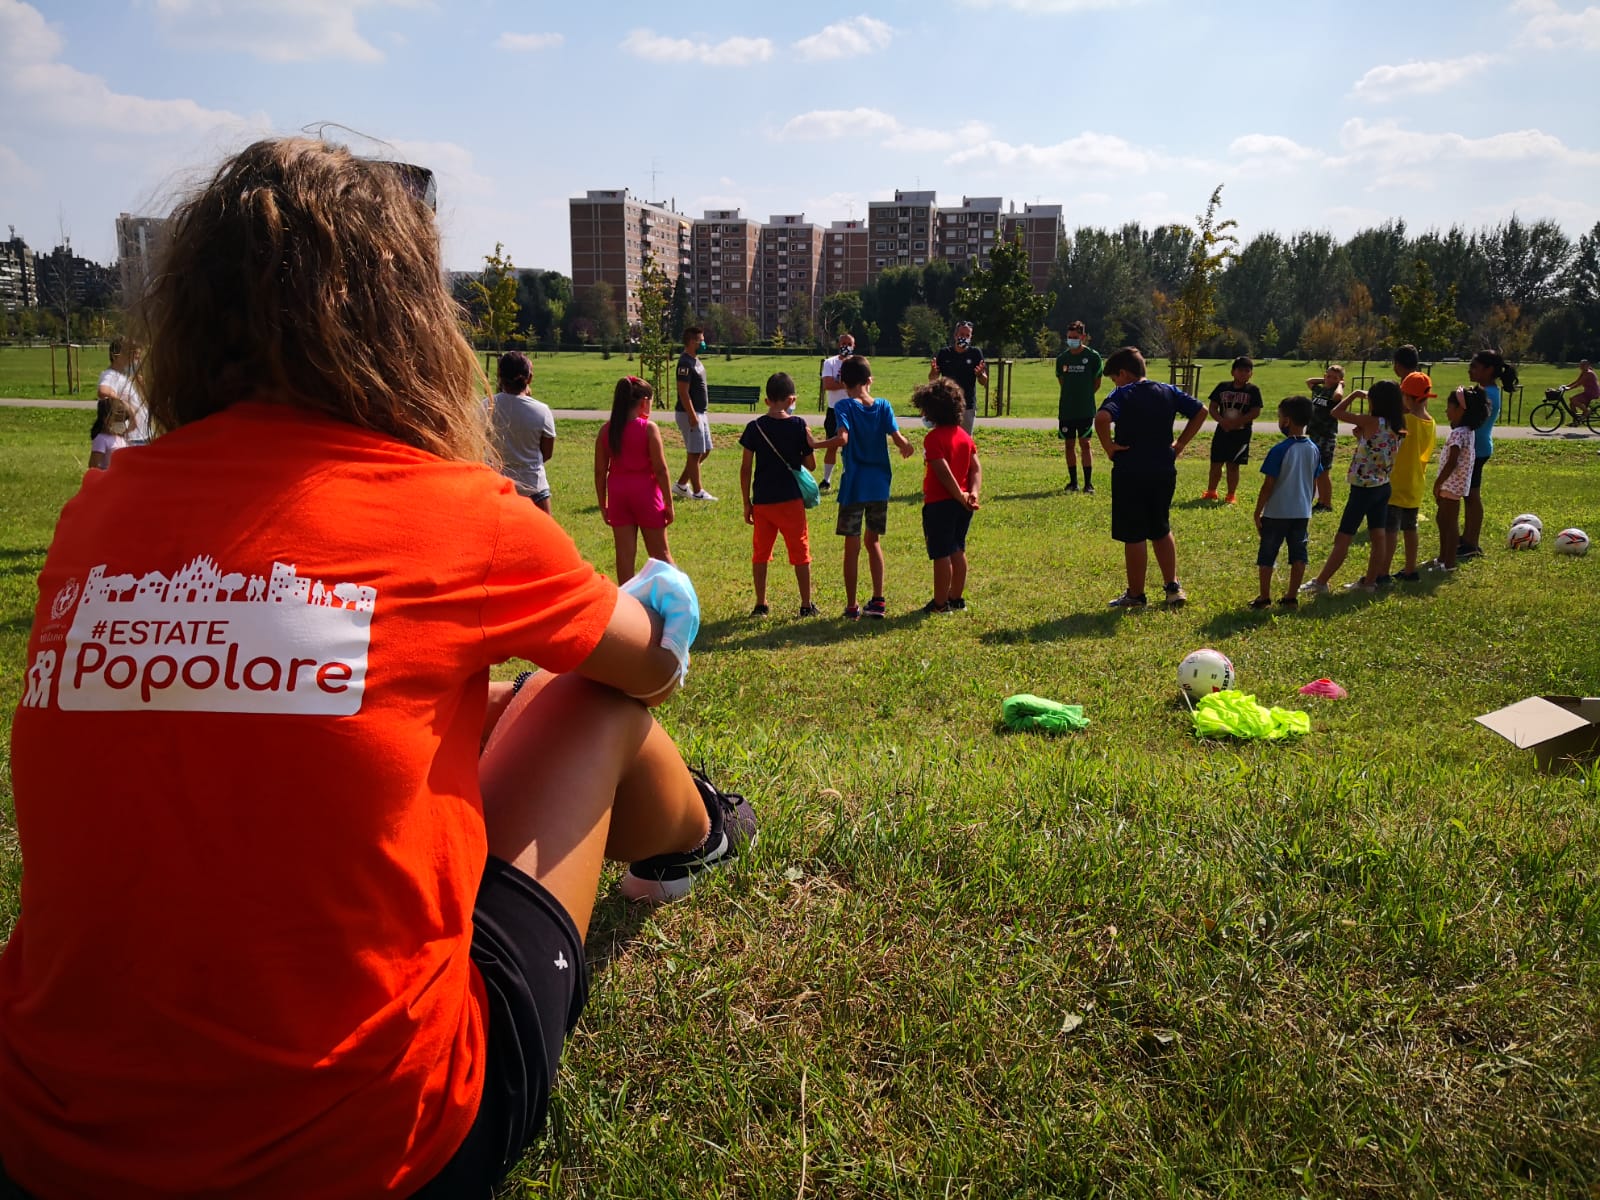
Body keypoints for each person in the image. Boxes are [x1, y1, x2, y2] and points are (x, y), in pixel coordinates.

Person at [0, 138, 759, 1200]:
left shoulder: (97, 514)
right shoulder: (455, 512)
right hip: (375, 1147)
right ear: (409, 321)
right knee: (576, 694)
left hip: (44, 1141)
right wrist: (642, 614)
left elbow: (250, 705)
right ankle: (700, 834)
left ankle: (697, 827)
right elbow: (647, 669)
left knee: (482, 703)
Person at [1092, 346, 1207, 609]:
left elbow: (1102, 418)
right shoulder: (1168, 390)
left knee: (1134, 534)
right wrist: (1180, 444)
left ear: (1123, 373)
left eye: (1115, 378)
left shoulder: (1122, 393)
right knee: (1160, 528)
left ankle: (1136, 595)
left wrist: (1109, 447)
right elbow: (1201, 411)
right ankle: (1172, 588)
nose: (1115, 383)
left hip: (1130, 471)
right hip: (1163, 468)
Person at [816, 355, 913, 620]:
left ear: (843, 382)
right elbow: (898, 438)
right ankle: (878, 601)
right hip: (879, 485)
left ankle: (852, 606)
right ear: (870, 380)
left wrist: (815, 445)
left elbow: (842, 438)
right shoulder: (883, 405)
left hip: (854, 486)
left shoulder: (844, 406)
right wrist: (906, 445)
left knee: (852, 546)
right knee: (873, 541)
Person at [1300, 379, 1408, 596]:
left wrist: (1355, 394)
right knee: (1378, 537)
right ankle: (1369, 583)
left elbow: (1336, 412)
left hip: (1362, 489)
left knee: (1343, 537)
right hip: (1382, 486)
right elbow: (1379, 448)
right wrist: (1362, 439)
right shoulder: (1397, 424)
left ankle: (1321, 582)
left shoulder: (1371, 421)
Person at [738, 372, 820, 617]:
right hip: (791, 500)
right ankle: (806, 604)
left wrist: (747, 502)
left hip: (763, 500)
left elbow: (745, 468)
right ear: (792, 399)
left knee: (761, 553)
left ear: (766, 400)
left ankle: (760, 603)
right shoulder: (799, 425)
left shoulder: (754, 428)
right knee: (800, 552)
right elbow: (812, 465)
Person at [596, 375, 675, 584]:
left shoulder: (606, 430)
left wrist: (602, 503)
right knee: (661, 555)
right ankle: (679, 597)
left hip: (618, 495)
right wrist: (668, 502)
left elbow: (599, 471)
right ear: (644, 402)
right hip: (646, 494)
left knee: (624, 557)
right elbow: (660, 469)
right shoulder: (648, 428)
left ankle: (627, 599)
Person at [913, 377, 981, 613]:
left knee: (941, 553)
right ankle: (956, 598)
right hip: (962, 505)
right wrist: (972, 493)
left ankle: (940, 603)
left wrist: (960, 495)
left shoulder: (933, 439)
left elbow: (942, 472)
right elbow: (976, 468)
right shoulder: (965, 437)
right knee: (957, 548)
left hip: (940, 504)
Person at [1250, 396, 1322, 608]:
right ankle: (1291, 597)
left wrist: (1258, 511)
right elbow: (1314, 481)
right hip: (1301, 513)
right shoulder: (1314, 449)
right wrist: (1307, 505)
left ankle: (1264, 597)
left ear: (1287, 421)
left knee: (1268, 555)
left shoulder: (1279, 450)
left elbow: (1268, 484)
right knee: (1299, 555)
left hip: (1276, 512)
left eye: (1280, 417)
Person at [1371, 377, 1436, 584]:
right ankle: (1410, 570)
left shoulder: (1405, 421)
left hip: (1397, 484)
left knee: (1390, 530)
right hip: (1416, 484)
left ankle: (1383, 572)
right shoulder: (1431, 422)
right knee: (1410, 528)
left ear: (1407, 397)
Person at [1457, 350, 1517, 560]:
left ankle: (1471, 543)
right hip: (1475, 448)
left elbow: (1473, 419)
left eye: (1474, 367)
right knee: (1468, 495)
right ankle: (1466, 539)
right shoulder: (1484, 391)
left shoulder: (1488, 394)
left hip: (1477, 449)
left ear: (1489, 370)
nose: (1470, 370)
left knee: (1472, 496)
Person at [486, 350, 557, 513]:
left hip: (497, 486)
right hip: (534, 487)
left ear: (499, 376)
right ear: (529, 378)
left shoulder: (487, 406)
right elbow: (547, 453)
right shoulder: (542, 411)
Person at [1430, 385, 1489, 572]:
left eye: (1449, 407)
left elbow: (1452, 462)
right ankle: (1442, 558)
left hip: (1451, 485)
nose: (1446, 411)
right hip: (1456, 484)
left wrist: (1438, 483)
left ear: (1460, 410)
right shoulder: (1468, 431)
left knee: (1449, 523)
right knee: (1442, 519)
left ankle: (1449, 563)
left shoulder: (1458, 433)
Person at [1202, 355, 1263, 504]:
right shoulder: (1222, 387)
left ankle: (1231, 495)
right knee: (1216, 463)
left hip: (1241, 433)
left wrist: (1238, 422)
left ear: (1251, 374)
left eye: (1247, 371)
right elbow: (1213, 407)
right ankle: (1211, 491)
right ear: (1232, 372)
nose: (1243, 374)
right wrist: (1221, 420)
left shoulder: (1253, 390)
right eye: (1240, 370)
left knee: (1233, 465)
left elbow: (1255, 411)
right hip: (1222, 431)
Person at [1055, 319, 1104, 494]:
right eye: (1069, 337)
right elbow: (1062, 381)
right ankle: (1073, 482)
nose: (1071, 340)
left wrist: (1085, 396)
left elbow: (1097, 383)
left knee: (1085, 443)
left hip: (1085, 409)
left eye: (1075, 337)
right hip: (1067, 410)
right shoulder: (1062, 359)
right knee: (1069, 444)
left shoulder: (1093, 357)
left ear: (1083, 337)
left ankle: (1088, 483)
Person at [672, 326, 715, 501]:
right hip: (689, 413)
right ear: (691, 342)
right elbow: (683, 392)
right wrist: (691, 415)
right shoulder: (685, 363)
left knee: (705, 450)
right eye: (700, 340)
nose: (703, 343)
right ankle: (698, 492)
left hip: (700, 412)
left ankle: (681, 485)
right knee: (695, 452)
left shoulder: (695, 360)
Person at [930, 319, 987, 434]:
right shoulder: (944, 353)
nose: (964, 338)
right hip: (947, 404)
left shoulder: (975, 353)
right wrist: (933, 372)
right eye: (961, 334)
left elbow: (984, 381)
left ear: (970, 337)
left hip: (967, 405)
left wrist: (980, 374)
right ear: (955, 335)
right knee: (945, 437)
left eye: (967, 335)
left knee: (964, 439)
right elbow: (932, 379)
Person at [1304, 364, 1344, 512]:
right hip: (1314, 433)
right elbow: (1309, 381)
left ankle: (1326, 503)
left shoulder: (1335, 392)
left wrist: (1339, 384)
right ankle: (1318, 501)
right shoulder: (1320, 390)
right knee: (1315, 470)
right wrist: (1325, 380)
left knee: (1323, 471)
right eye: (1328, 376)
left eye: (1335, 378)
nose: (1330, 379)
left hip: (1326, 435)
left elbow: (1338, 397)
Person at [818, 330, 854, 492]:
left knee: (850, 447)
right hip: (834, 410)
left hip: (853, 409)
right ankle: (826, 479)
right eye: (843, 343)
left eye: (849, 344)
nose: (846, 346)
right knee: (832, 445)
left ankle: (848, 478)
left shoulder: (857, 363)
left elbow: (863, 385)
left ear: (854, 346)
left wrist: (841, 384)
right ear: (838, 344)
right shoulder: (830, 363)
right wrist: (848, 384)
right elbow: (828, 384)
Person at [97, 336, 151, 446]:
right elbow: (103, 391)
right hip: (132, 438)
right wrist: (127, 407)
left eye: (137, 355)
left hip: (142, 435)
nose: (135, 359)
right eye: (131, 355)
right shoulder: (111, 375)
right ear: (115, 356)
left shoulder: (125, 376)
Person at [86, 392, 130, 471]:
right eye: (118, 420)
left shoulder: (120, 438)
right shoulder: (101, 439)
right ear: (106, 420)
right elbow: (93, 466)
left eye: (123, 420)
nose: (122, 424)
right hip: (108, 475)